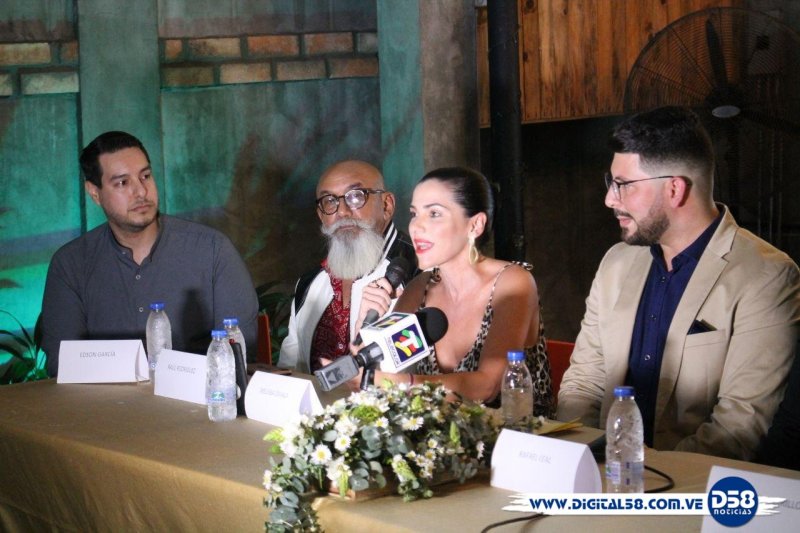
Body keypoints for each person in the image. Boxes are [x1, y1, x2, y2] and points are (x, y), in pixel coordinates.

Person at [557, 106, 800, 460]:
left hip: (690, 486)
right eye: (611, 183)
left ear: (674, 189)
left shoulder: (766, 276)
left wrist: (638, 474)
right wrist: (580, 459)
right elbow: (584, 383)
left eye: (623, 185)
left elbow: (737, 427)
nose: (610, 199)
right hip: (601, 474)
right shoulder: (616, 263)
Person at [41, 131, 258, 376]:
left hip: (197, 397)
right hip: (105, 400)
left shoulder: (212, 250)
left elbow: (238, 352)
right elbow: (62, 363)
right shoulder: (70, 264)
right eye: (122, 183)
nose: (141, 192)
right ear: (94, 193)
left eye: (145, 176)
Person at [360, 167, 553, 415]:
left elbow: (488, 386)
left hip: (516, 434)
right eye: (414, 214)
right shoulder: (418, 289)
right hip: (434, 434)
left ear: (475, 225)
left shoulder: (513, 282)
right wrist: (365, 325)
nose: (416, 226)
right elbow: (383, 371)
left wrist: (400, 384)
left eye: (434, 214)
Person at [278, 160, 416, 374]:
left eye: (356, 196)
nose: (342, 211)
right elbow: (289, 369)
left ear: (386, 205)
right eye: (329, 201)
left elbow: (422, 376)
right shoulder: (309, 283)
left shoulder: (418, 273)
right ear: (321, 215)